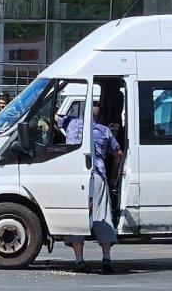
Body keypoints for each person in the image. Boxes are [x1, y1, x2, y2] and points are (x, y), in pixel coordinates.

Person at [63, 99, 122, 274]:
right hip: (97, 174)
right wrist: (113, 178)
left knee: (76, 216)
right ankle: (106, 258)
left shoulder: (71, 124)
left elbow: (54, 116)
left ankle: (80, 260)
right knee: (102, 215)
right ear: (99, 113)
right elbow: (118, 153)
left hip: (75, 176)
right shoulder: (104, 131)